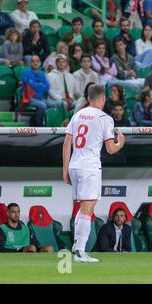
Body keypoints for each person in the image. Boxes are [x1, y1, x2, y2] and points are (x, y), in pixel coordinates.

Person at [63, 84, 126, 262]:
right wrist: (121, 142)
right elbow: (111, 149)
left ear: (88, 98)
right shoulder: (105, 118)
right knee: (87, 209)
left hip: (74, 165)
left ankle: (77, 247)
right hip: (89, 167)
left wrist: (65, 169)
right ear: (103, 98)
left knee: (83, 208)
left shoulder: (77, 115)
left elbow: (66, 143)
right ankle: (80, 253)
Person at [21, 55, 56, 126]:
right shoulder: (26, 73)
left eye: (37, 61)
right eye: (33, 61)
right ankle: (39, 125)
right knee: (42, 106)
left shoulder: (42, 74)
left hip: (41, 98)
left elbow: (47, 87)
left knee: (55, 104)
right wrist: (40, 85)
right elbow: (30, 85)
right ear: (30, 63)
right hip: (29, 99)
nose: (35, 63)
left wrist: (35, 85)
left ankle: (50, 124)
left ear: (40, 63)